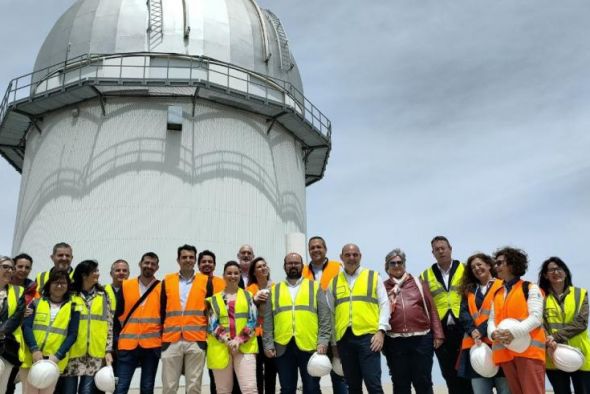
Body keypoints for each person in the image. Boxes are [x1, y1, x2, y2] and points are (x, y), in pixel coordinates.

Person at [327, 244, 390, 394]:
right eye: (347, 255)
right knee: (353, 386)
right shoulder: (334, 282)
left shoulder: (373, 277)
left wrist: (381, 331)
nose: (351, 258)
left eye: (355, 255)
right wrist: (334, 343)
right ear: (341, 257)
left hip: (368, 338)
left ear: (360, 256)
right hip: (344, 340)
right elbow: (331, 314)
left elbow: (384, 304)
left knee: (373, 384)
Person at [263, 252, 330, 394]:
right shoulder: (274, 290)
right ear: (284, 266)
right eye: (289, 263)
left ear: (302, 266)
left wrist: (323, 341)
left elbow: (325, 318)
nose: (293, 266)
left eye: (296, 263)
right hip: (282, 346)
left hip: (310, 345)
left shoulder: (315, 287)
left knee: (312, 388)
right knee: (287, 389)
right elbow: (268, 321)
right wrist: (268, 343)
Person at [382, 248, 444, 394]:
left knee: (423, 381)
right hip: (394, 342)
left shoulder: (418, 283)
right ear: (387, 266)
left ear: (404, 264)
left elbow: (432, 309)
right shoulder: (382, 287)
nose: (397, 265)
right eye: (393, 263)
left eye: (400, 262)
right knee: (400, 383)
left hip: (421, 339)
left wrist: (438, 334)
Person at [488, 247, 545, 394]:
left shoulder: (530, 288)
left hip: (529, 352)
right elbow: (491, 320)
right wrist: (493, 334)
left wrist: (514, 333)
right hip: (506, 353)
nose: (496, 267)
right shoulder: (497, 293)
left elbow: (536, 317)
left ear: (512, 264)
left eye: (500, 263)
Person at [420, 236, 473, 394]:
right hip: (441, 331)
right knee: (449, 373)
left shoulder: (466, 270)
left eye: (443, 248)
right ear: (433, 253)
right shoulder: (425, 275)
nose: (441, 251)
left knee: (469, 371)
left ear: (450, 249)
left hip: (465, 328)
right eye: (437, 249)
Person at [21, 269, 80, 394]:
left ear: (68, 286)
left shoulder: (74, 307)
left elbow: (73, 334)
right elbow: (27, 327)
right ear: (49, 284)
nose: (59, 285)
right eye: (56, 282)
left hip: (53, 362)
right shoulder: (36, 303)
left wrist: (58, 355)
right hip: (32, 359)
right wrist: (34, 350)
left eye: (63, 283)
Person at [160, 245, 209, 394]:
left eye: (191, 257)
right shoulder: (167, 280)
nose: (188, 260)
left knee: (193, 386)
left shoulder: (205, 281)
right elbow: (161, 309)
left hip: (196, 340)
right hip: (171, 340)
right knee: (169, 386)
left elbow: (210, 310)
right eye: (184, 257)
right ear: (178, 260)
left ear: (195, 260)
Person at [457, 253, 509, 394]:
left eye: (479, 264)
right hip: (476, 348)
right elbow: (463, 313)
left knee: (505, 389)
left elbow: (502, 312)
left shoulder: (503, 285)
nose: (477, 268)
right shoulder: (469, 290)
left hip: (499, 345)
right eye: (473, 267)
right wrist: (472, 330)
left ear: (489, 265)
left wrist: (481, 330)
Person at [538, 257, 590, 393]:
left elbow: (581, 322)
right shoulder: (541, 297)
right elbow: (539, 324)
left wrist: (554, 337)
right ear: (545, 275)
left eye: (559, 269)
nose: (556, 272)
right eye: (551, 270)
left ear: (565, 272)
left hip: (580, 355)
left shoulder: (580, 293)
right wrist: (548, 341)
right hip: (554, 356)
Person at [302, 236, 347, 394]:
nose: (315, 250)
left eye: (318, 247)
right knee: (312, 378)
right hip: (314, 333)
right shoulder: (302, 272)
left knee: (339, 375)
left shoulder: (338, 267)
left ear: (325, 249)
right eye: (312, 248)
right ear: (309, 251)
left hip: (336, 331)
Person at [63, 260, 114, 394]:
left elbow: (109, 323)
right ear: (84, 275)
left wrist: (108, 350)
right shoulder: (70, 295)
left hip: (95, 352)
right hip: (72, 351)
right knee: (69, 391)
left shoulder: (103, 295)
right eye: (95, 271)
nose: (98, 274)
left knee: (87, 392)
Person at [207, 261, 258, 394]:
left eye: (236, 273)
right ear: (223, 275)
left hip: (245, 348)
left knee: (250, 389)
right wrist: (227, 340)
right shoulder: (214, 299)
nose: (232, 276)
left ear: (240, 275)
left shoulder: (248, 296)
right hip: (221, 348)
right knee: (223, 390)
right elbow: (212, 324)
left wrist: (238, 340)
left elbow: (252, 321)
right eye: (229, 273)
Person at [115, 252, 162, 394]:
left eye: (153, 264)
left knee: (147, 387)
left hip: (152, 346)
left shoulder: (162, 287)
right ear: (140, 264)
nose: (149, 266)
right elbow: (116, 316)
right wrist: (117, 339)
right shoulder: (126, 285)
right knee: (121, 387)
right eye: (146, 263)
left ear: (157, 267)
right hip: (127, 345)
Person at [246, 257, 277, 394]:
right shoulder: (249, 290)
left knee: (271, 371)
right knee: (257, 370)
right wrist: (254, 301)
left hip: (271, 334)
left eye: (264, 265)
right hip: (255, 335)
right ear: (253, 272)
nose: (263, 268)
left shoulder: (276, 287)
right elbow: (245, 312)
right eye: (259, 267)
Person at [197, 249, 226, 394]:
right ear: (198, 265)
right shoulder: (192, 284)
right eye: (203, 262)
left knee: (217, 373)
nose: (207, 264)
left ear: (214, 265)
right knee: (195, 376)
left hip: (218, 336)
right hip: (196, 335)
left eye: (210, 262)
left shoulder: (223, 283)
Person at [6, 253, 35, 394]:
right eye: (20, 266)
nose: (23, 270)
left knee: (12, 381)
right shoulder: (4, 285)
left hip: (23, 342)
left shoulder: (33, 288)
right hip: (6, 338)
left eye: (27, 267)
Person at [0, 256, 26, 393]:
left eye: (12, 268)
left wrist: (1, 332)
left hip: (7, 347)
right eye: (5, 267)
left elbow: (17, 316)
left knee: (2, 388)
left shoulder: (18, 291)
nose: (10, 270)